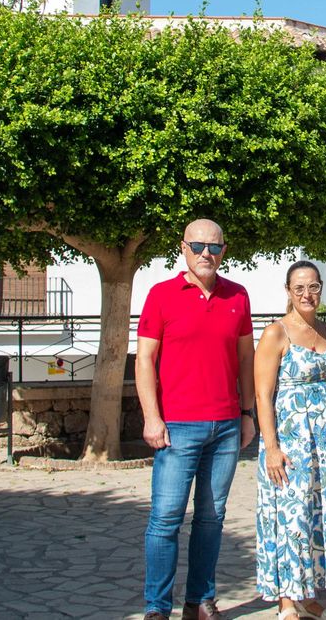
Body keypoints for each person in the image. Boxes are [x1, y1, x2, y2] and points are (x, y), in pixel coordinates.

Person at [136, 219, 257, 620]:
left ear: (225, 250)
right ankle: (157, 607)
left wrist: (247, 414)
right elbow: (145, 360)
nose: (207, 253)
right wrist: (152, 418)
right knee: (166, 518)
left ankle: (200, 601)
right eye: (199, 245)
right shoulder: (161, 295)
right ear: (184, 248)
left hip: (225, 426)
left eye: (215, 247)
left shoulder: (237, 296)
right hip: (177, 426)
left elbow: (245, 360)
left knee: (211, 518)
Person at [254, 260, 326, 620]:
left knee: (320, 513)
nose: (307, 294)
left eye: (313, 287)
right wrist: (271, 447)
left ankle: (309, 593)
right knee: (291, 514)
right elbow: (262, 394)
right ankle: (288, 599)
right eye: (299, 288)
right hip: (292, 439)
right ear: (288, 291)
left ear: (321, 288)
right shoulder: (276, 333)